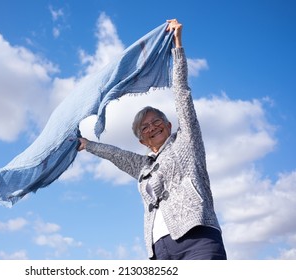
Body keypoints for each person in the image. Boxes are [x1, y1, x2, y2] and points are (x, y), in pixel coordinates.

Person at [77, 19, 227, 260]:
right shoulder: (142, 166)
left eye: (157, 121)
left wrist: (177, 47)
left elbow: (182, 94)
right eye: (144, 127)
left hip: (197, 239)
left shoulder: (186, 142)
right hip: (159, 250)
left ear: (169, 125)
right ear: (142, 141)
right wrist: (87, 145)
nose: (152, 127)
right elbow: (116, 155)